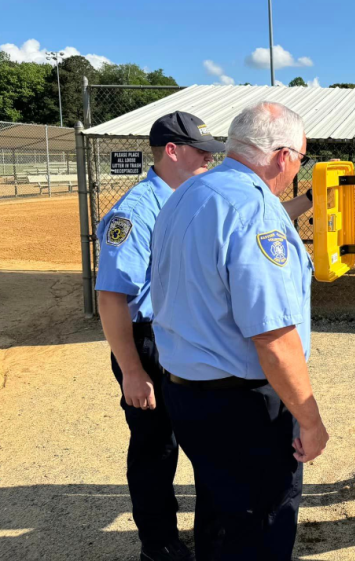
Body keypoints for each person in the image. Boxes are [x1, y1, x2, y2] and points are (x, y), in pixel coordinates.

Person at [150, 101, 329, 561]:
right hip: (242, 406)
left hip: (187, 395)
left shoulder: (186, 194)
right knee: (263, 525)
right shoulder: (254, 210)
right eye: (301, 159)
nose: (297, 170)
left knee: (220, 514)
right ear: (283, 156)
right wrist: (310, 421)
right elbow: (271, 334)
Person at [96, 111, 225, 561]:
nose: (210, 159)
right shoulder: (134, 212)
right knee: (156, 447)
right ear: (172, 151)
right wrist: (132, 370)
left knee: (206, 438)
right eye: (202, 152)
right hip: (146, 341)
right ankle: (160, 545)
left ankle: (213, 539)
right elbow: (112, 297)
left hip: (183, 335)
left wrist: (308, 199)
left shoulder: (191, 199)